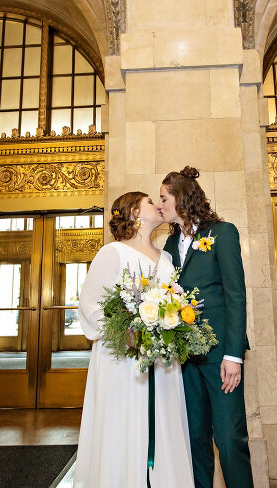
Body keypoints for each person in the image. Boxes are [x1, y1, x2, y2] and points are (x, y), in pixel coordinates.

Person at [73, 191, 194, 488]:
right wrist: (125, 332)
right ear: (135, 213)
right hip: (123, 361)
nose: (158, 205)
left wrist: (172, 323)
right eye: (151, 202)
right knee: (124, 423)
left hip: (162, 360)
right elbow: (89, 304)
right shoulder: (112, 252)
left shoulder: (166, 257)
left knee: (164, 422)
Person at [160, 167, 253, 488]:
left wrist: (234, 355)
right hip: (185, 358)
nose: (160, 205)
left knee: (230, 439)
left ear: (181, 199)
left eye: (163, 198)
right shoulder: (170, 245)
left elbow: (236, 296)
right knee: (195, 438)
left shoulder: (222, 233)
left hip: (220, 356)